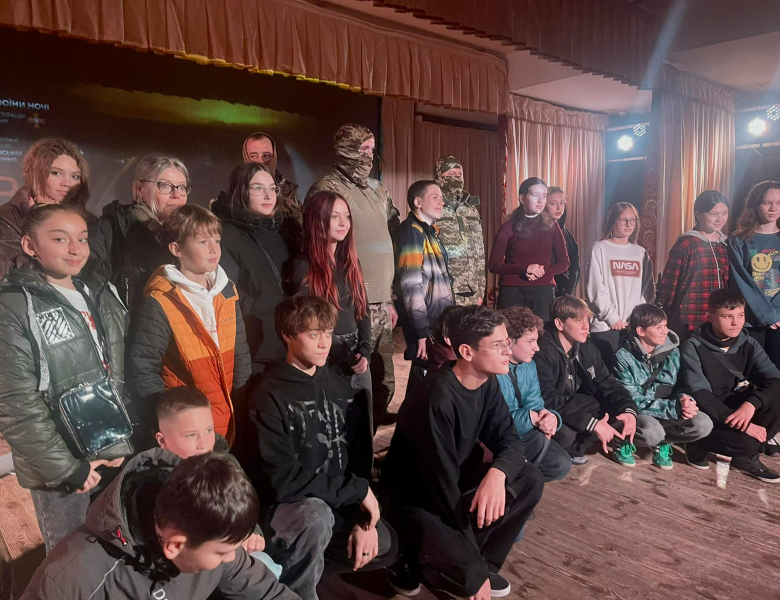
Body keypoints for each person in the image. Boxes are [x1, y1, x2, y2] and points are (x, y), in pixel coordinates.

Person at [381, 306, 544, 600]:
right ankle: (405, 555)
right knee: (469, 575)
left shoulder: (487, 381)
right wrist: (471, 567)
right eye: (497, 345)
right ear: (467, 352)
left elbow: (510, 439)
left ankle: (481, 565)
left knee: (529, 477)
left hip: (450, 483)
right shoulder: (436, 397)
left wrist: (498, 474)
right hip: (416, 499)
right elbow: (440, 487)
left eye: (507, 342)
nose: (508, 351)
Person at [0, 204, 132, 553]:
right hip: (61, 466)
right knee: (69, 560)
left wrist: (116, 442)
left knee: (112, 551)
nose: (75, 249)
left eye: (82, 239)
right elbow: (15, 402)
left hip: (108, 449)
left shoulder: (99, 292)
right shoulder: (13, 305)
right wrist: (66, 469)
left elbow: (115, 372)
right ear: (30, 245)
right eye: (60, 239)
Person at [249, 296, 398, 600]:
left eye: (328, 333)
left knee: (385, 542)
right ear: (288, 336)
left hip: (334, 502)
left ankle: (298, 566)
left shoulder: (341, 386)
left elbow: (358, 462)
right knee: (316, 518)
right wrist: (356, 492)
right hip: (291, 508)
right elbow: (283, 480)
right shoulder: (268, 393)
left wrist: (361, 520)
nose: (323, 344)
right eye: (313, 334)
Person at [20, 450, 299, 600]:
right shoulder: (71, 579)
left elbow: (268, 593)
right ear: (175, 545)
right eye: (223, 552)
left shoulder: (211, 531)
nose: (233, 557)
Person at [128, 205, 250, 446]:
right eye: (203, 242)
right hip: (189, 429)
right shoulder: (162, 299)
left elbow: (240, 349)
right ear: (177, 249)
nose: (214, 249)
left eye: (216, 240)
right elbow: (143, 365)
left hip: (228, 415)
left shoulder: (227, 290)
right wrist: (172, 417)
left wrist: (242, 395)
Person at [308, 124, 400, 428]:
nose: (369, 156)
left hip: (380, 302)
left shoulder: (377, 188)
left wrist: (390, 298)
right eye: (363, 149)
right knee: (352, 386)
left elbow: (389, 233)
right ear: (346, 150)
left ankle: (367, 444)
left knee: (383, 384)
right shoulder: (327, 188)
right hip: (349, 303)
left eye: (372, 149)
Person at [154, 386, 282, 579]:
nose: (204, 443)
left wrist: (250, 532)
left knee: (266, 567)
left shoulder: (226, 463)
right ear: (162, 441)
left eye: (209, 430)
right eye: (191, 435)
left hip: (233, 550)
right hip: (193, 567)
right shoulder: (159, 480)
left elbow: (239, 504)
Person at [290, 190, 373, 439]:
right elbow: (308, 322)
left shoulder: (351, 261)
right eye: (334, 216)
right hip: (326, 357)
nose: (343, 223)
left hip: (356, 354)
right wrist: (342, 353)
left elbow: (362, 308)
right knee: (333, 432)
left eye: (346, 216)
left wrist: (365, 348)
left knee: (361, 430)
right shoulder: (304, 266)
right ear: (318, 220)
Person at [681, 289, 780, 482]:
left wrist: (751, 405)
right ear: (710, 317)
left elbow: (775, 378)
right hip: (712, 413)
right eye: (728, 316)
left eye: (740, 315)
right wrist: (744, 426)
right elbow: (701, 395)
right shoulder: (693, 346)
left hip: (741, 406)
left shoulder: (749, 342)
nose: (736, 323)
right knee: (749, 444)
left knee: (775, 399)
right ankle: (697, 442)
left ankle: (744, 458)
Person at [212, 162, 301, 375]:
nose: (268, 195)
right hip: (254, 354)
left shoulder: (282, 231)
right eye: (258, 188)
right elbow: (226, 303)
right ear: (241, 191)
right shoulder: (225, 236)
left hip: (288, 345)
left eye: (272, 188)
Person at [534, 295, 638, 466]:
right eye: (578, 321)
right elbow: (547, 397)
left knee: (616, 412)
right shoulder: (542, 349)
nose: (585, 326)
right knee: (566, 435)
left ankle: (574, 448)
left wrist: (629, 411)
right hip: (546, 410)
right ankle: (556, 449)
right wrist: (592, 424)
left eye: (587, 320)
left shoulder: (587, 348)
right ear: (559, 324)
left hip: (572, 403)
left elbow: (608, 383)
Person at [613, 304, 713, 470]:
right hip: (638, 412)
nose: (664, 331)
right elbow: (632, 400)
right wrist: (674, 408)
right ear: (641, 331)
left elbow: (681, 386)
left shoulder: (673, 353)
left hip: (667, 408)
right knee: (652, 432)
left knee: (703, 424)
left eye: (665, 326)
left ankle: (663, 441)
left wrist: (685, 400)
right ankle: (622, 437)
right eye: (658, 327)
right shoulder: (623, 357)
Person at [87, 152, 190, 310]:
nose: (177, 195)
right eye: (164, 186)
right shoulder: (111, 229)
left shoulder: (191, 234)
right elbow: (91, 287)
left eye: (182, 187)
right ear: (139, 188)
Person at [394, 180, 455, 394]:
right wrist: (421, 332)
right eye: (435, 197)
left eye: (441, 198)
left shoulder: (429, 232)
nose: (442, 202)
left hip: (436, 320)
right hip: (425, 323)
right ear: (418, 202)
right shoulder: (411, 232)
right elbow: (411, 285)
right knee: (426, 380)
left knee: (431, 379)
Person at [498, 307, 571, 481]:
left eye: (536, 341)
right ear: (509, 342)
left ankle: (520, 478)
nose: (537, 348)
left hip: (524, 429)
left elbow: (535, 402)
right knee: (540, 444)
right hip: (499, 436)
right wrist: (530, 418)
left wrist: (549, 416)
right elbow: (495, 420)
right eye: (530, 341)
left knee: (561, 464)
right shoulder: (494, 370)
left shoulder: (529, 366)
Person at [0, 138, 90, 277]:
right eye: (56, 173)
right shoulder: (8, 217)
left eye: (75, 176)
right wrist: (39, 216)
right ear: (35, 173)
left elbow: (94, 270)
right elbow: (9, 270)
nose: (67, 183)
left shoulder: (88, 220)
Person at [489, 177, 569, 320]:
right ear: (522, 198)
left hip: (544, 292)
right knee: (510, 332)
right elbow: (494, 265)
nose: (541, 201)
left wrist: (542, 272)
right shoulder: (508, 227)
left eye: (544, 196)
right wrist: (524, 269)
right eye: (535, 195)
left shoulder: (552, 226)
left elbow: (564, 263)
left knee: (543, 332)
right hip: (512, 292)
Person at [586, 201, 655, 368]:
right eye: (624, 220)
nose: (629, 224)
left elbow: (647, 290)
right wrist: (612, 317)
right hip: (606, 326)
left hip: (633, 326)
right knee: (608, 373)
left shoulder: (640, 252)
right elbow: (595, 287)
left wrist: (638, 317)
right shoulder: (600, 248)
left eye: (633, 220)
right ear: (613, 221)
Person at [657, 190, 730, 341]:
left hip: (720, 319)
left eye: (724, 213)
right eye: (713, 214)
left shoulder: (726, 244)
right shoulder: (686, 243)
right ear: (698, 214)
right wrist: (663, 315)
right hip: (690, 320)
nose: (720, 219)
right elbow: (669, 284)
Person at [728, 180, 780, 367]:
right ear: (756, 205)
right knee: (753, 372)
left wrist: (777, 313)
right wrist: (767, 314)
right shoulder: (738, 241)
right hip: (751, 321)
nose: (773, 208)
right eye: (767, 202)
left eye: (778, 203)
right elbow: (741, 281)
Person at [433, 155, 486, 306]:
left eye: (460, 174)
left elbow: (479, 251)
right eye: (451, 174)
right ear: (439, 177)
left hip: (472, 290)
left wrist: (481, 289)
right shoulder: (433, 206)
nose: (457, 178)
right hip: (443, 289)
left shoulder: (471, 209)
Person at [242, 131, 303, 224]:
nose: (261, 161)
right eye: (253, 156)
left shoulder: (289, 196)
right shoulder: (236, 196)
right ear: (246, 157)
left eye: (266, 156)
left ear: (274, 157)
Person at [545, 186, 580, 297]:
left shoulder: (567, 234)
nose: (559, 208)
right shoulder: (537, 231)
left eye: (562, 203)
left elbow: (574, 266)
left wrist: (569, 288)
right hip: (543, 289)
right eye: (553, 203)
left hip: (563, 293)